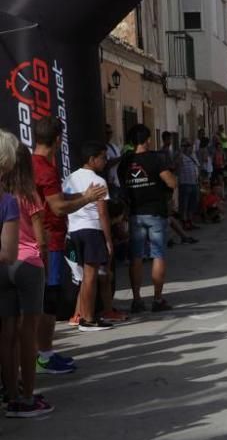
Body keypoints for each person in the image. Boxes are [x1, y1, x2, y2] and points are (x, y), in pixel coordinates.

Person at [32, 116, 106, 374]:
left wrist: (79, 197)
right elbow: (58, 206)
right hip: (49, 242)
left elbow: (59, 198)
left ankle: (43, 352)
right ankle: (43, 355)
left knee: (43, 301)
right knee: (48, 301)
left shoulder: (31, 164)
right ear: (58, 139)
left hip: (39, 241)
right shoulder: (46, 169)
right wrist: (87, 198)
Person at [1, 140, 52, 416]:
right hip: (28, 263)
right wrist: (43, 264)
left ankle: (11, 394)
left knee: (7, 334)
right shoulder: (28, 193)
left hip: (3, 265)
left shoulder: (3, 194)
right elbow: (41, 238)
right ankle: (28, 398)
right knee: (28, 333)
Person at [119, 124, 177, 313]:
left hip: (135, 214)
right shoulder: (155, 159)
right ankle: (157, 299)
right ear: (148, 140)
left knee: (136, 257)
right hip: (155, 212)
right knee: (158, 254)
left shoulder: (125, 163)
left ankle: (136, 300)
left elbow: (123, 188)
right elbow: (171, 181)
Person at [63, 143, 114, 331]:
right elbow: (102, 214)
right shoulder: (98, 181)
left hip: (74, 230)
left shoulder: (68, 178)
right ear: (92, 159)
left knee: (85, 277)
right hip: (92, 230)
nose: (105, 160)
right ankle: (88, 319)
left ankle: (83, 316)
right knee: (90, 276)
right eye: (103, 157)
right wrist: (108, 241)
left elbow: (65, 205)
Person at [177, 140, 202, 228]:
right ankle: (184, 222)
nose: (190, 148)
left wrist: (198, 179)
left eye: (190, 146)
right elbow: (178, 168)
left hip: (194, 183)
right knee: (184, 204)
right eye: (187, 146)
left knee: (192, 204)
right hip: (185, 183)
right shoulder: (181, 157)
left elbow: (198, 167)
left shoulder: (193, 156)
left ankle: (190, 221)